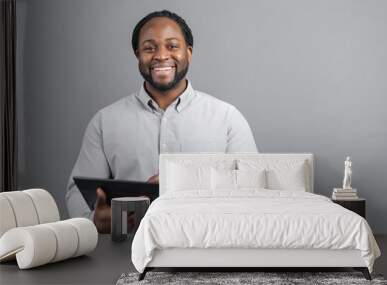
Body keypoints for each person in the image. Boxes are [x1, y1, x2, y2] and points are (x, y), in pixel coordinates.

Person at [66, 10, 257, 233]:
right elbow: (78, 193)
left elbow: (252, 186)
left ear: (189, 52)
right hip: (128, 249)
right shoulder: (105, 121)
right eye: (149, 48)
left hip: (207, 245)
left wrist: (187, 181)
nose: (161, 55)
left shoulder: (227, 118)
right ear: (138, 55)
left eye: (172, 46)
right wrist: (92, 221)